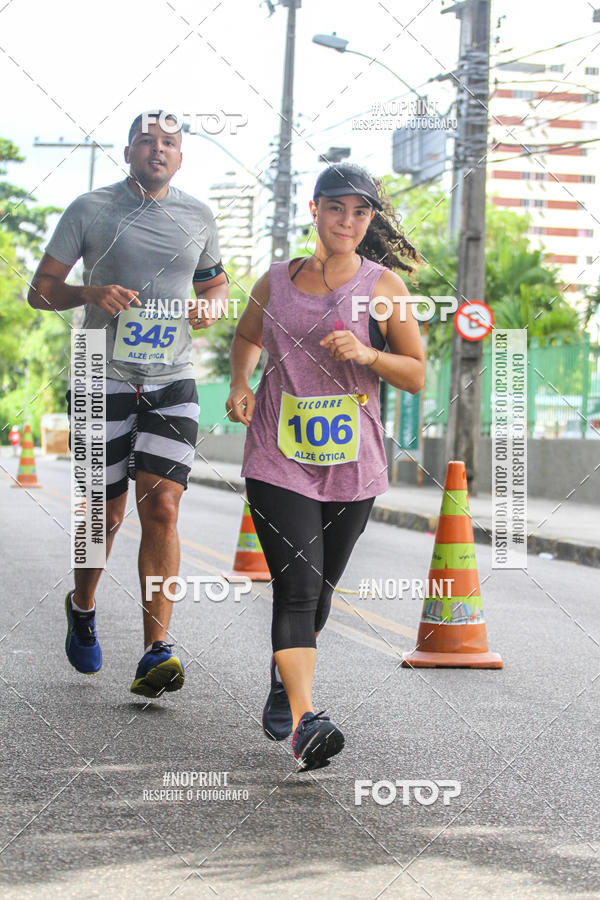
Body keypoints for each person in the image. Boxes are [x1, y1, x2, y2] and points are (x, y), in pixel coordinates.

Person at [226, 162, 425, 770]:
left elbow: (416, 373)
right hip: (278, 455)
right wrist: (240, 382)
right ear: (314, 210)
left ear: (371, 220)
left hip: (351, 463)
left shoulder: (384, 287)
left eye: (360, 212)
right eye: (336, 208)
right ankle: (308, 721)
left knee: (319, 596)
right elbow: (246, 337)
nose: (348, 221)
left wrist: (369, 352)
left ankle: (285, 681)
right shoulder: (276, 281)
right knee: (298, 586)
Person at [28, 111, 228, 698]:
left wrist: (211, 306)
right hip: (99, 372)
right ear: (129, 151)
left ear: (181, 156)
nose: (157, 150)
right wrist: (89, 291)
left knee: (162, 506)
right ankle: (83, 605)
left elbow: (214, 282)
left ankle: (155, 650)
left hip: (173, 377)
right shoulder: (89, 209)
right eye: (147, 141)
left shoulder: (198, 216)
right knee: (105, 516)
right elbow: (38, 290)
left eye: (169, 143)